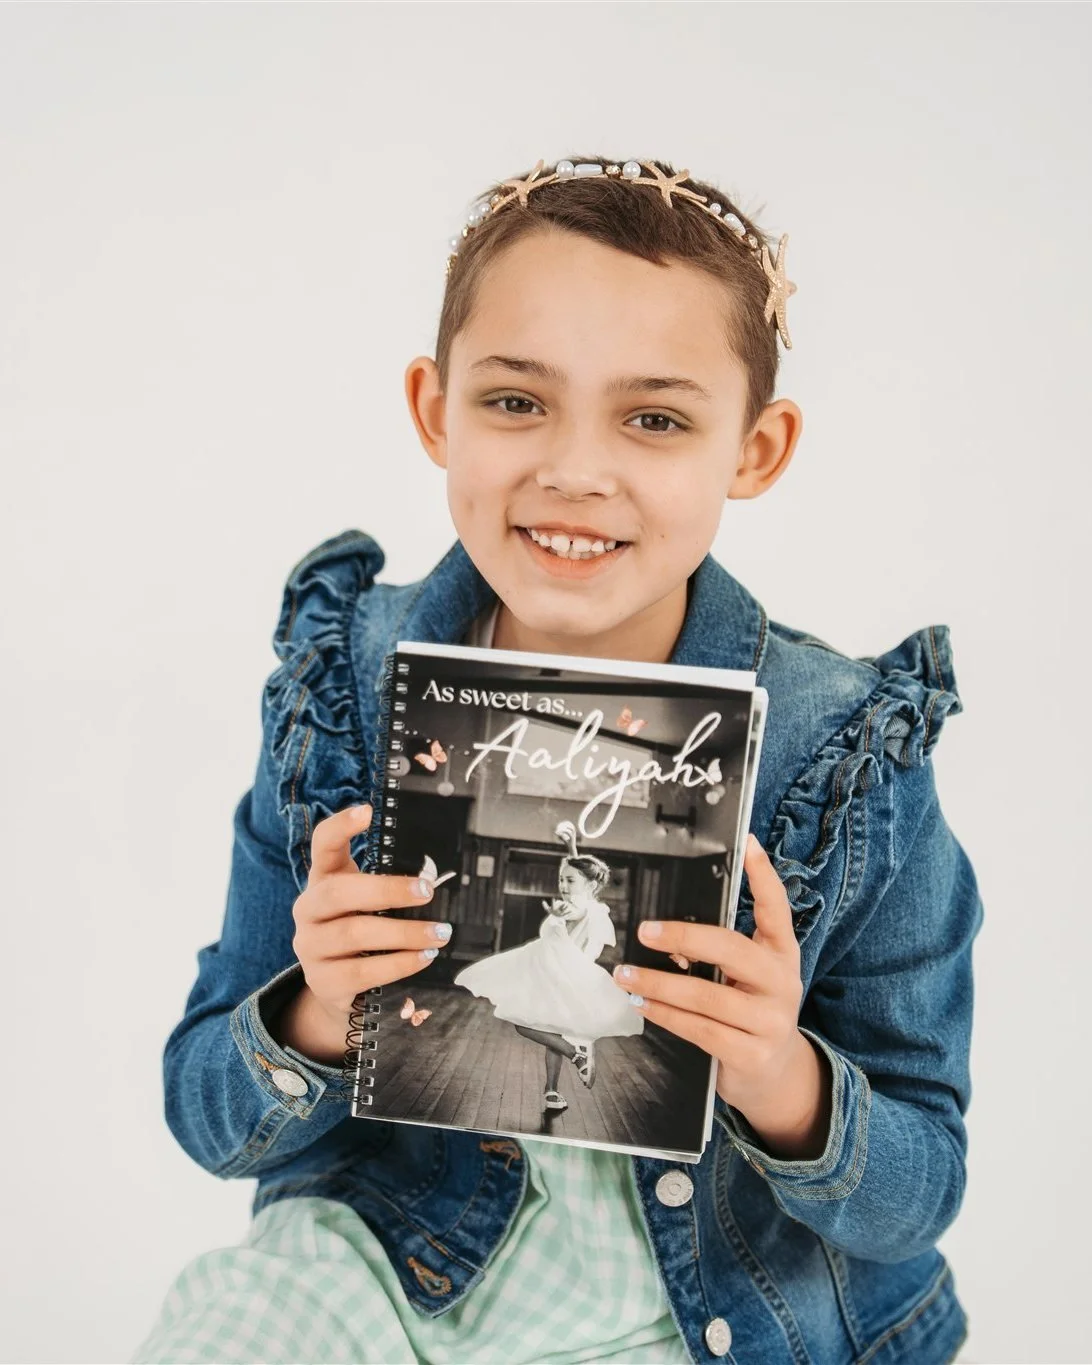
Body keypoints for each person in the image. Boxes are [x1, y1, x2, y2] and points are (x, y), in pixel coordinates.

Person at [133, 155, 983, 1365]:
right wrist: (315, 1009)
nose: (576, 471)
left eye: (655, 419)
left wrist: (782, 1076)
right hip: (395, 1268)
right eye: (517, 401)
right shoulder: (343, 694)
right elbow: (206, 1118)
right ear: (436, 409)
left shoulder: (845, 755)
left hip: (721, 1316)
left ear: (755, 448)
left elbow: (922, 1188)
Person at [454, 821, 644, 1111]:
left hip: (566, 976)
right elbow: (579, 876)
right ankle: (552, 1090)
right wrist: (571, 848)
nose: (563, 885)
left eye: (569, 881)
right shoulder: (587, 899)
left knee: (524, 1023)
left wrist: (560, 912)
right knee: (552, 1029)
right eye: (561, 880)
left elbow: (576, 906)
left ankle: (576, 1055)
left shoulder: (581, 906)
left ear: (590, 885)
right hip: (557, 974)